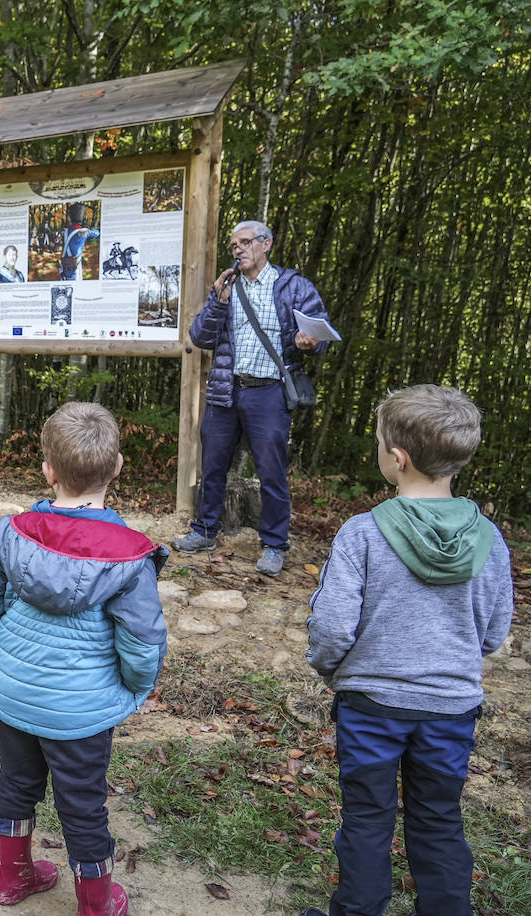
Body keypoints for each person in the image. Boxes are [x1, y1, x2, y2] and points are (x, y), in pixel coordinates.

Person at [302, 385, 512, 916]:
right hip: (450, 709)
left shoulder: (363, 534)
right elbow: (493, 633)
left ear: (398, 458)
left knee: (368, 819)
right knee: (439, 819)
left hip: (371, 707)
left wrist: (333, 670)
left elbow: (330, 628)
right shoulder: (489, 540)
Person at [0, 401, 167, 913]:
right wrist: (135, 686)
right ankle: (97, 903)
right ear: (118, 467)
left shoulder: (14, 533)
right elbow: (142, 642)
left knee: (15, 783)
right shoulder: (128, 556)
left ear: (47, 471)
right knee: (82, 805)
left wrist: (5, 649)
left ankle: (12, 878)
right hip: (81, 711)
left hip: (15, 692)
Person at [171, 220, 330, 576]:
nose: (238, 250)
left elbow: (319, 334)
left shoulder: (293, 286)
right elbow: (200, 337)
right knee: (212, 467)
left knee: (271, 472)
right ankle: (205, 531)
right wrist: (217, 303)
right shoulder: (226, 287)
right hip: (226, 390)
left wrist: (311, 342)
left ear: (266, 244)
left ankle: (274, 544)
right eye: (234, 245)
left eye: (245, 243)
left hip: (270, 392)